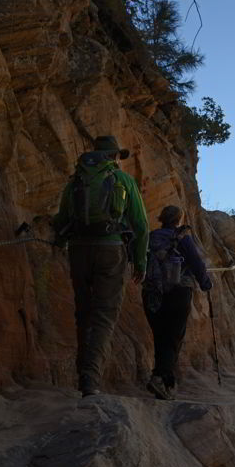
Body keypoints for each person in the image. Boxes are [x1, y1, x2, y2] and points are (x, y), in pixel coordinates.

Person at [52, 135, 148, 397]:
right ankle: (90, 381)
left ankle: (83, 375)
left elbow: (62, 218)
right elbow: (140, 224)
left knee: (83, 312)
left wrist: (58, 242)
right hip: (110, 250)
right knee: (104, 314)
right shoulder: (123, 181)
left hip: (79, 250)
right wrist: (140, 261)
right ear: (113, 156)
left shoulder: (76, 182)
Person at [143, 205, 212, 400]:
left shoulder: (151, 237)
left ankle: (164, 382)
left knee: (161, 336)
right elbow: (196, 262)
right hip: (178, 292)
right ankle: (160, 379)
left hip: (152, 292)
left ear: (161, 218)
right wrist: (205, 283)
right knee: (173, 337)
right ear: (178, 220)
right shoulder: (182, 237)